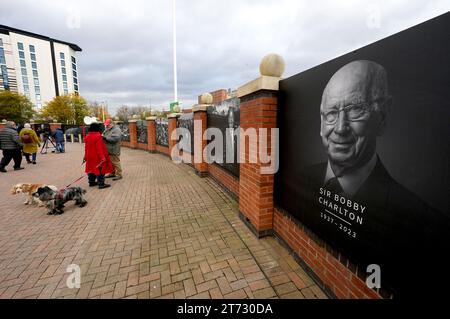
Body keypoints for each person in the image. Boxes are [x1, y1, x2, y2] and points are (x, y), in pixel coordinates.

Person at [298, 60, 449, 297]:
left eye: (356, 109)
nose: (339, 128)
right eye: (330, 114)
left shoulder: (426, 229)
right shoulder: (301, 177)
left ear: (383, 116)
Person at [84, 122, 113, 189]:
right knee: (100, 169)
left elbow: (86, 148)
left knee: (91, 169)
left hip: (89, 156)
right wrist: (102, 157)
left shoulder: (87, 136)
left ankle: (91, 182)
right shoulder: (98, 136)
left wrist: (85, 156)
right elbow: (99, 148)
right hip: (97, 156)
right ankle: (101, 184)